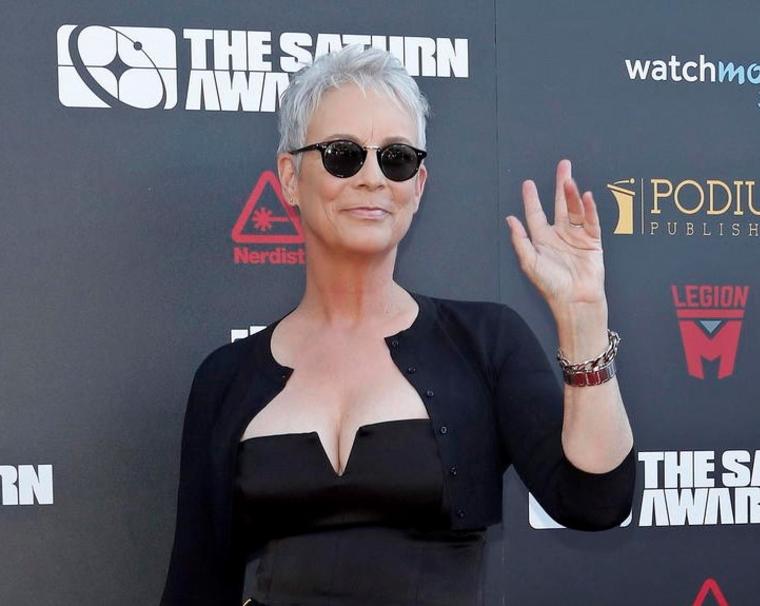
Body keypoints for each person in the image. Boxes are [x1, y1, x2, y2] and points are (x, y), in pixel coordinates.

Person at [159, 44, 635, 606]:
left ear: (419, 185)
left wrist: (583, 318)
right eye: (342, 155)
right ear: (289, 177)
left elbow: (595, 501)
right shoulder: (226, 378)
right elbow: (196, 583)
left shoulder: (484, 343)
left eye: (397, 158)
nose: (372, 178)